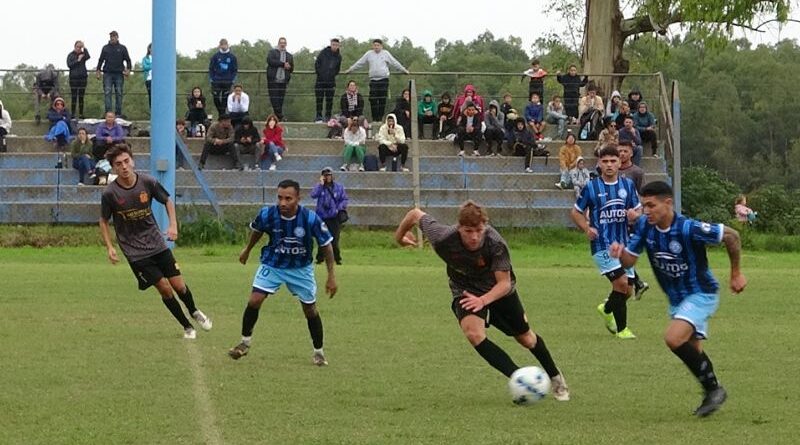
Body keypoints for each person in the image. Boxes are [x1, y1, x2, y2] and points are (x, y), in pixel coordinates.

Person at [394, 201, 570, 401]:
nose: (474, 237)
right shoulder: (442, 237)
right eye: (468, 231)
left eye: (479, 230)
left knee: (526, 339)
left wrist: (483, 300)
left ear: (485, 226)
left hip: (499, 292)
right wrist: (399, 238)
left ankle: (556, 377)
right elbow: (415, 214)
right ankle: (521, 380)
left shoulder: (495, 244)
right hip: (465, 289)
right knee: (473, 334)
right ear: (459, 227)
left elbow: (504, 284)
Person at [609, 181, 746, 417]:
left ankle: (715, 390)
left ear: (668, 203)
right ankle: (712, 391)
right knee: (693, 350)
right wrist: (620, 255)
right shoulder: (644, 225)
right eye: (643, 205)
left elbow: (731, 236)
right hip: (676, 299)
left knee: (673, 338)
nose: (646, 211)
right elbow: (630, 261)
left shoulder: (688, 228)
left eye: (651, 205)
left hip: (701, 292)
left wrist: (735, 273)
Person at [99, 144, 212, 339]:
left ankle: (194, 311)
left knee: (179, 285)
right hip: (135, 252)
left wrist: (173, 225)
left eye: (126, 161)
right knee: (164, 288)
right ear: (113, 168)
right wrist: (110, 247)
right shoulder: (110, 193)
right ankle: (187, 327)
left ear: (132, 161)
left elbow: (167, 200)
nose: (124, 166)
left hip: (157, 243)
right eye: (118, 164)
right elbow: (103, 220)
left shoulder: (147, 182)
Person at [228, 179, 337, 364]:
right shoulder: (268, 214)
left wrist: (331, 276)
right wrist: (247, 249)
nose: (283, 203)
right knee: (254, 300)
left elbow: (326, 245)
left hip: (300, 269)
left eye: (288, 198)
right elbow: (258, 231)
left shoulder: (310, 219)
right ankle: (244, 344)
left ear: (298, 198)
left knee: (310, 310)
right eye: (280, 198)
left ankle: (319, 352)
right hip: (273, 265)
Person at [570, 145, 641, 339]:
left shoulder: (628, 185)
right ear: (599, 164)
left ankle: (607, 308)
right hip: (602, 245)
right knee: (621, 283)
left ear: (619, 163)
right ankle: (622, 330)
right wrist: (587, 228)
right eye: (605, 161)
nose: (609, 165)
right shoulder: (592, 187)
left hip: (624, 246)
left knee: (628, 291)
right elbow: (576, 212)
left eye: (613, 161)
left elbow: (638, 209)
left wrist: (634, 215)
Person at [345, 39, 409, 120]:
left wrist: (404, 70)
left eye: (378, 45)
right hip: (373, 80)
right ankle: (374, 118)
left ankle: (380, 118)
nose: (376, 47)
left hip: (384, 80)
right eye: (375, 45)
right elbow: (360, 63)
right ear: (372, 46)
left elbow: (394, 63)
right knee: (373, 99)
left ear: (381, 46)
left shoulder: (386, 53)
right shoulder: (369, 54)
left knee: (382, 100)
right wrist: (350, 69)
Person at [311, 167, 349, 264]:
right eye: (325, 175)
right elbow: (313, 195)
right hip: (322, 216)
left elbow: (344, 199)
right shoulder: (320, 187)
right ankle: (320, 258)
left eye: (329, 175)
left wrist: (338, 208)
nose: (327, 177)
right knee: (321, 238)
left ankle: (337, 258)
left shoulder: (338, 187)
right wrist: (320, 184)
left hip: (334, 217)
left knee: (334, 239)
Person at [95, 31, 132, 117]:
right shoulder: (105, 48)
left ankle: (118, 113)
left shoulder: (122, 48)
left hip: (119, 74)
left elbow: (128, 60)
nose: (112, 38)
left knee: (119, 93)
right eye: (111, 36)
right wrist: (98, 71)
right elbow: (101, 60)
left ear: (117, 37)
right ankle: (108, 113)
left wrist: (128, 70)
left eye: (114, 36)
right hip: (107, 73)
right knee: (107, 93)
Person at [314, 38, 342, 123]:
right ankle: (318, 117)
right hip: (320, 80)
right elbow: (317, 64)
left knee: (329, 100)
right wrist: (321, 74)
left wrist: (332, 74)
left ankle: (328, 117)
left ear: (338, 46)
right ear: (331, 44)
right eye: (333, 44)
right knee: (319, 99)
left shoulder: (339, 56)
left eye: (336, 45)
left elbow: (337, 69)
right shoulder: (323, 53)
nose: (334, 46)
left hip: (331, 81)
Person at [209, 38, 238, 117]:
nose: (223, 46)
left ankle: (222, 115)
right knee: (215, 97)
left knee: (225, 98)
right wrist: (211, 78)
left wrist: (232, 79)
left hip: (227, 81)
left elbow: (235, 70)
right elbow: (211, 68)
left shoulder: (232, 57)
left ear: (227, 45)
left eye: (225, 45)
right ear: (220, 46)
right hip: (216, 80)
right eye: (222, 45)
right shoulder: (215, 56)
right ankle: (221, 113)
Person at [266, 37, 294, 120]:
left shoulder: (289, 56)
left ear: (286, 44)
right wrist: (282, 64)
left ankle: (278, 118)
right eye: (281, 43)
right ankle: (280, 116)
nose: (282, 44)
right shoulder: (272, 52)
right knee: (274, 99)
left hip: (283, 81)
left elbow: (292, 68)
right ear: (278, 44)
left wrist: (289, 67)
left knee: (281, 100)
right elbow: (270, 61)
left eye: (284, 43)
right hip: (273, 80)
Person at [66, 41, 91, 118]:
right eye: (78, 47)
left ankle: (81, 113)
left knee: (81, 96)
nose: (79, 48)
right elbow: (69, 65)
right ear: (75, 46)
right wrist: (77, 60)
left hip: (82, 78)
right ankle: (73, 113)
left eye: (80, 47)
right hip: (74, 78)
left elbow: (88, 57)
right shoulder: (70, 55)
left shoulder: (83, 54)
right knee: (74, 96)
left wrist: (84, 47)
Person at [141, 44, 152, 109]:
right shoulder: (145, 58)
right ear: (149, 49)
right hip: (149, 79)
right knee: (150, 95)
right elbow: (145, 67)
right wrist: (153, 65)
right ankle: (152, 110)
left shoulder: (159, 58)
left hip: (158, 80)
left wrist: (150, 65)